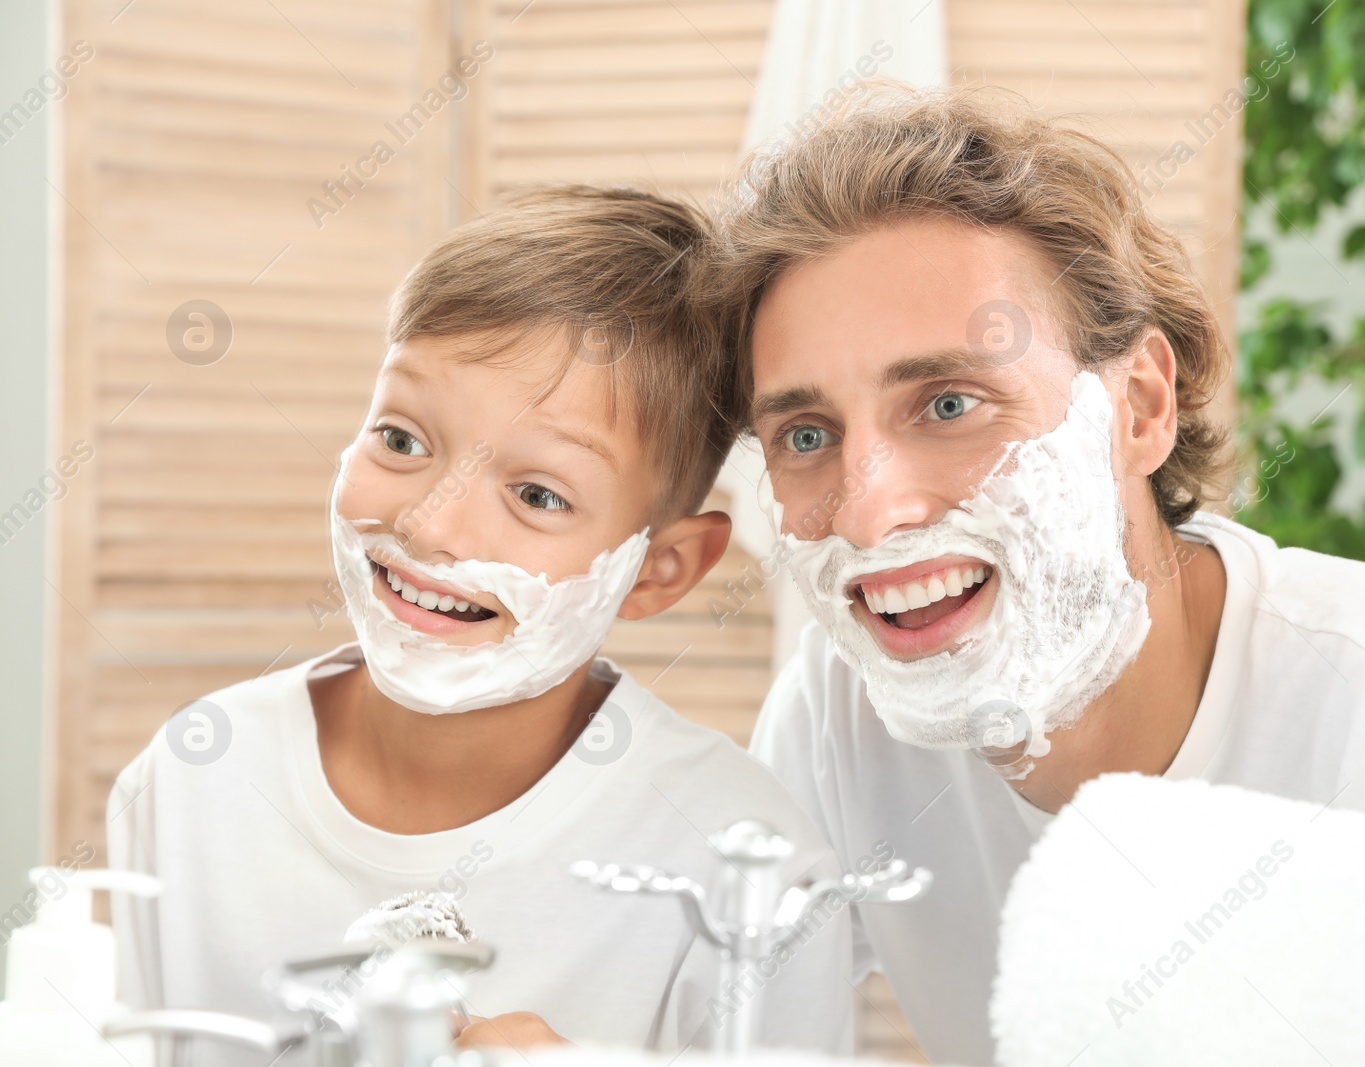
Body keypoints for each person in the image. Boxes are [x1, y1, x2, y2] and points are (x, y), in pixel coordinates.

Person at [715, 86, 1365, 1066]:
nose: (870, 510)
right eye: (804, 434)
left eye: (951, 403)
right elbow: (729, 1027)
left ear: (1139, 406)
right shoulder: (839, 720)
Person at [108, 186, 851, 1063]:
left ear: (659, 569)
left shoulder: (741, 864)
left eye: (538, 495)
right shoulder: (198, 776)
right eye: (402, 438)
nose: (430, 524)